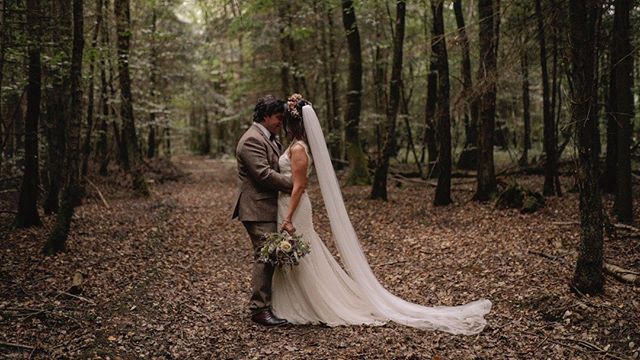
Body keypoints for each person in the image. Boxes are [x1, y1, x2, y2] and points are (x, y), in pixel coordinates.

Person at [272, 94, 492, 335]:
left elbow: (299, 186)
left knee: (304, 255)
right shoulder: (295, 146)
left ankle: (311, 303)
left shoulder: (299, 149)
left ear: (292, 123)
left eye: (284, 120)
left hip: (294, 208)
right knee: (299, 254)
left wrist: (287, 218)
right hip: (288, 206)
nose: (281, 123)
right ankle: (295, 300)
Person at [232, 95, 292, 327]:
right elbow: (263, 174)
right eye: (278, 117)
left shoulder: (268, 137)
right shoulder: (251, 140)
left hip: (269, 206)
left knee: (271, 255)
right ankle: (259, 309)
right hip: (256, 208)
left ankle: (270, 302)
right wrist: (294, 184)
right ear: (266, 116)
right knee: (265, 256)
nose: (281, 122)